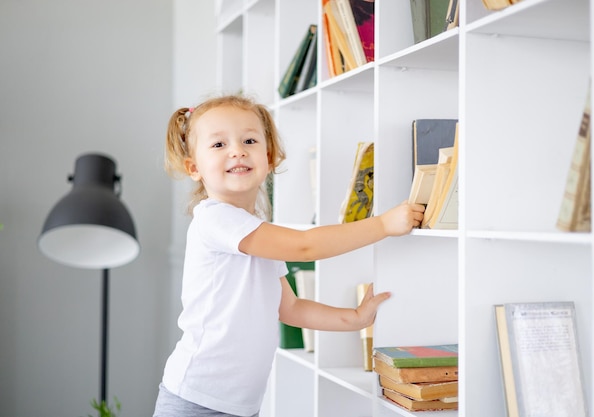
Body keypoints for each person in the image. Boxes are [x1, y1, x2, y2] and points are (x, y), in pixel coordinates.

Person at [153, 94, 425, 417]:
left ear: (268, 158)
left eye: (249, 140)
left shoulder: (257, 232)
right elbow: (305, 246)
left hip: (238, 406)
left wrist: (355, 318)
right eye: (218, 145)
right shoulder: (215, 218)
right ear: (194, 168)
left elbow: (290, 307)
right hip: (196, 400)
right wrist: (382, 225)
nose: (237, 150)